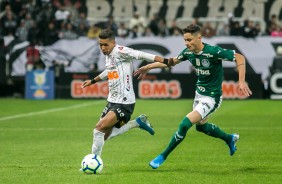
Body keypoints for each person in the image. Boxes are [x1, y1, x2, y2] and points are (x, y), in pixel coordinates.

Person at [134, 24, 252, 169]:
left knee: (185, 124)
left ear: (199, 38)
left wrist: (241, 81)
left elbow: (239, 57)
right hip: (199, 95)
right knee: (201, 128)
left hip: (212, 98)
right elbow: (170, 62)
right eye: (185, 40)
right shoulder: (188, 53)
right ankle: (230, 138)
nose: (187, 43)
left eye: (189, 40)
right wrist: (147, 67)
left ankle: (162, 156)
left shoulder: (213, 52)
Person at [80, 29, 166, 158]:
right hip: (112, 100)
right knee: (104, 135)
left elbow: (140, 54)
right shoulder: (109, 56)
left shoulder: (120, 51)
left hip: (124, 102)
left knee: (98, 130)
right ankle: (137, 123)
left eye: (105, 45)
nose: (102, 48)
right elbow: (108, 72)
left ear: (113, 43)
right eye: (100, 45)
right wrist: (93, 81)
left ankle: (93, 161)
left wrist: (165, 60)